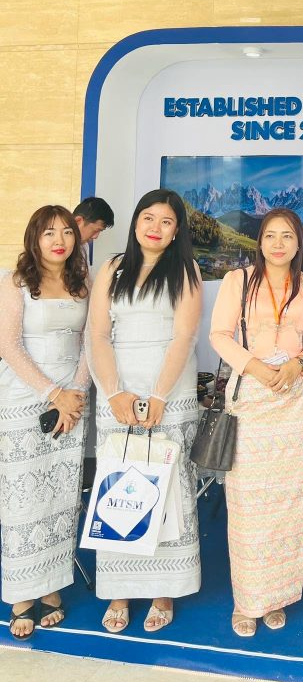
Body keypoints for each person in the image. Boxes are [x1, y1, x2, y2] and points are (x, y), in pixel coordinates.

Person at [87, 188, 202, 634]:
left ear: (176, 232)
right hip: (117, 394)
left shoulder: (186, 270)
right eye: (148, 218)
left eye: (166, 221)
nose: (155, 227)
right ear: (136, 222)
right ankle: (120, 589)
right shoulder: (111, 268)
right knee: (119, 489)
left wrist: (158, 397)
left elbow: (184, 337)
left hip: (168, 396)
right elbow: (98, 335)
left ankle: (163, 589)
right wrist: (114, 392)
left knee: (166, 490)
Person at [210, 208, 303, 637]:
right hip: (252, 397)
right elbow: (219, 335)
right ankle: (247, 600)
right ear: (259, 241)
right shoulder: (237, 281)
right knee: (248, 505)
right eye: (270, 235)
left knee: (288, 502)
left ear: (298, 244)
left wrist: (299, 364)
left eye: (287, 236)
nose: (278, 244)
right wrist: (255, 367)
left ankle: (277, 596)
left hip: (292, 400)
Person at [0, 206, 90, 639]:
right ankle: (21, 596)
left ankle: (52, 587)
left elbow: (92, 342)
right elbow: (9, 346)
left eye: (67, 232)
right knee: (22, 500)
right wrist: (53, 394)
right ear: (34, 237)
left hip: (73, 399)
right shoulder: (15, 282)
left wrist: (76, 395)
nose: (59, 240)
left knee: (60, 497)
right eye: (49, 232)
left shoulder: (83, 282)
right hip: (26, 397)